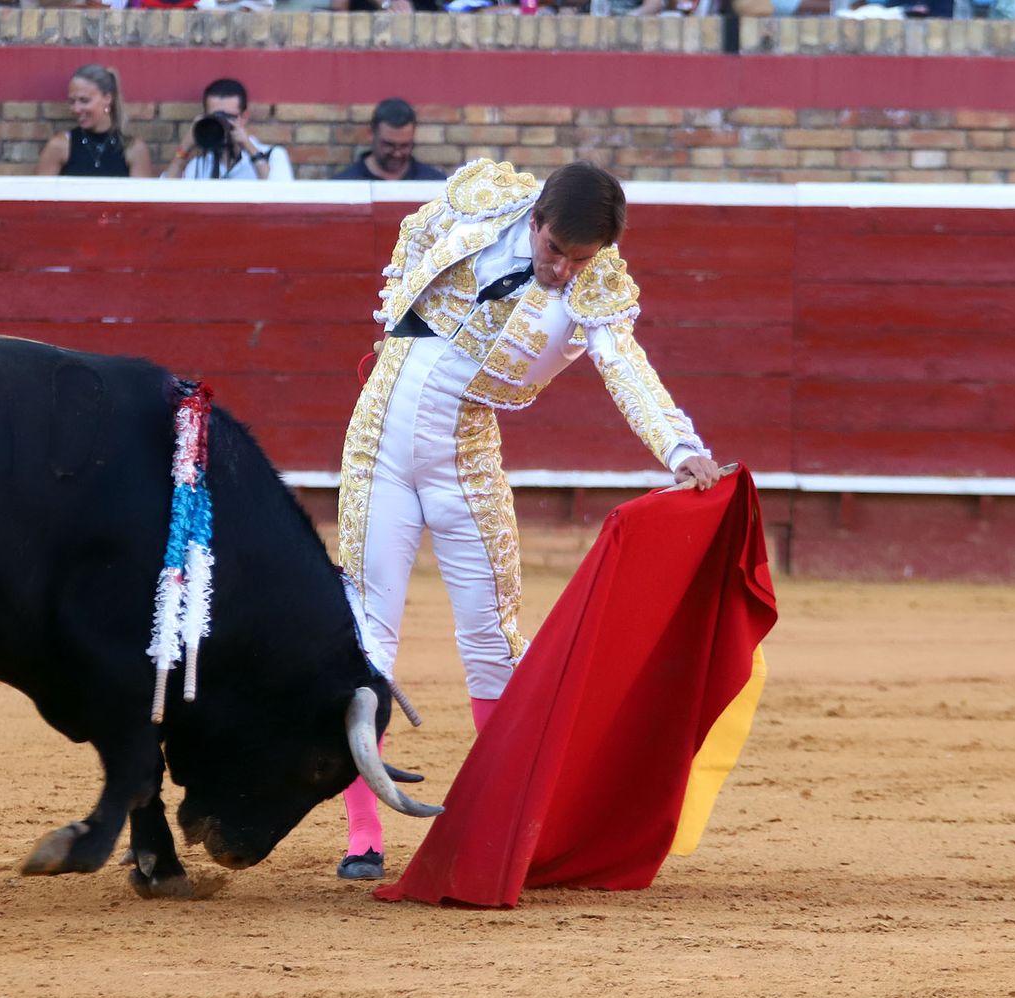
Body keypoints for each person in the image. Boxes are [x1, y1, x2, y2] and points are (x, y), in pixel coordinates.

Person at [334, 158, 723, 881]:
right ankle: (363, 833)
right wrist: (398, 323)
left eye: (582, 260)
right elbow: (414, 239)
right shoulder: (482, 200)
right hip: (377, 440)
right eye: (556, 253)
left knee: (492, 637)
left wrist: (679, 445)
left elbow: (625, 364)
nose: (566, 272)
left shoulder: (597, 278)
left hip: (467, 453)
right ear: (536, 221)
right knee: (365, 636)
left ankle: (503, 826)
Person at [163, 77, 293, 181]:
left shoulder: (273, 155)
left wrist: (249, 148)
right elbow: (164, 197)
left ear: (244, 117)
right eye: (215, 116)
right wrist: (184, 148)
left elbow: (281, 196)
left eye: (228, 117)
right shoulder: (200, 163)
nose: (221, 122)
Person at [35, 65, 153, 178]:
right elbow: (40, 194)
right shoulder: (59, 146)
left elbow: (141, 196)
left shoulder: (133, 149)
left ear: (107, 99)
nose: (76, 109)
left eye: (84, 100)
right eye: (72, 101)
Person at [330, 98, 446, 182]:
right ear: (371, 134)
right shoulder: (344, 184)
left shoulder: (434, 183)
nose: (397, 153)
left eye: (404, 145)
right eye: (389, 145)